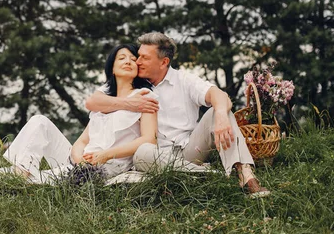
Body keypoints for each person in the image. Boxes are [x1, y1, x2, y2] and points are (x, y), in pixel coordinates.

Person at [0, 44, 158, 192]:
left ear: (138, 67)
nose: (127, 61)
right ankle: (18, 174)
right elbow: (83, 139)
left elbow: (148, 139)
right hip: (80, 162)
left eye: (131, 59)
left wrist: (105, 155)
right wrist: (76, 156)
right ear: (111, 67)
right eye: (120, 58)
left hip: (105, 167)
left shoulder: (145, 96)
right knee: (40, 121)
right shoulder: (104, 99)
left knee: (28, 180)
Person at [85, 32, 270, 198]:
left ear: (163, 62)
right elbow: (92, 102)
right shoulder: (133, 82)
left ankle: (246, 175)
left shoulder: (183, 80)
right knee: (142, 152)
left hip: (189, 149)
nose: (137, 61)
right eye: (138, 56)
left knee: (218, 109)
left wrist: (221, 114)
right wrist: (128, 103)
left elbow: (219, 95)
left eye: (144, 58)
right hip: (155, 155)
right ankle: (208, 176)